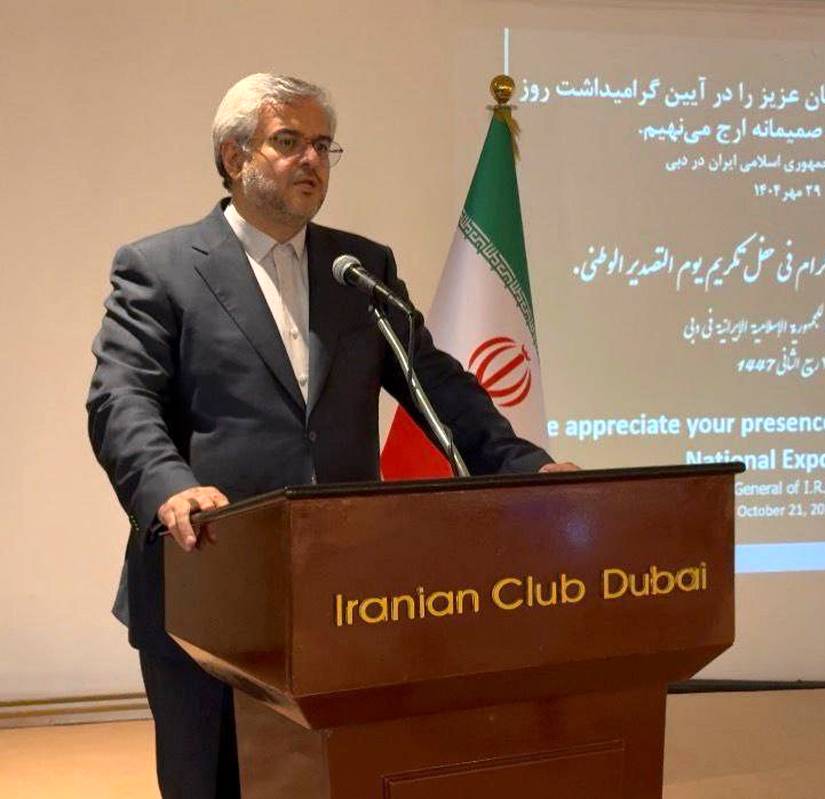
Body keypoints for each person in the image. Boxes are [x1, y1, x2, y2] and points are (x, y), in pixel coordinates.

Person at [87, 73, 573, 798]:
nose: (312, 158)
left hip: (342, 589)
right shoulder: (160, 268)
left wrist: (524, 465)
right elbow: (121, 398)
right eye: (289, 141)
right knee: (209, 780)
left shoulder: (358, 269)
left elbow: (434, 382)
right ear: (233, 157)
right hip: (207, 582)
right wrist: (170, 487)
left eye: (322, 144)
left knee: (339, 776)